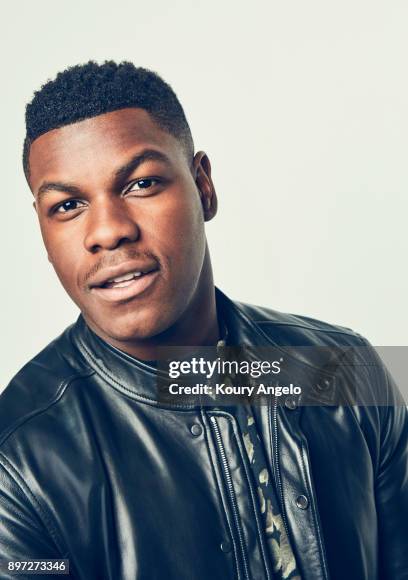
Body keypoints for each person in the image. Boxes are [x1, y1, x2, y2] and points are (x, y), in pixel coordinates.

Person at [0, 61, 406, 580]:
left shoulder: (342, 370)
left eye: (141, 183)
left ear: (203, 185)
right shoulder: (21, 460)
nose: (107, 231)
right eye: (68, 204)